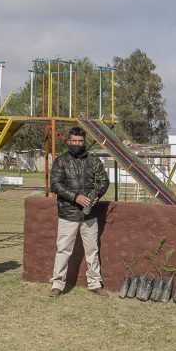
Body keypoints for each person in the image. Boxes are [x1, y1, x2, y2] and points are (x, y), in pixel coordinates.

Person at [49, 127, 110, 298]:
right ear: (68, 141)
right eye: (74, 141)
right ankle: (57, 285)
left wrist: (97, 194)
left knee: (92, 250)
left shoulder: (93, 160)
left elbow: (104, 181)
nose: (77, 144)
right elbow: (55, 185)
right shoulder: (61, 161)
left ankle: (95, 284)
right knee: (63, 250)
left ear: (84, 142)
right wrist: (75, 197)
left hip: (89, 215)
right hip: (68, 214)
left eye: (80, 141)